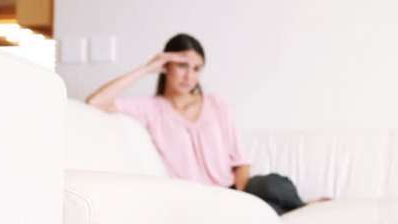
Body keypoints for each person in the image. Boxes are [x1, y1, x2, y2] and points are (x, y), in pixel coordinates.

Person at [86, 33, 305, 214]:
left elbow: (241, 162)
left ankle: (299, 206)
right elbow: (95, 102)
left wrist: (238, 200)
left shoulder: (216, 104)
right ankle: (278, 212)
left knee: (272, 185)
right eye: (182, 65)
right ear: (166, 66)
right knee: (265, 211)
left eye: (197, 68)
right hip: (197, 201)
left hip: (235, 191)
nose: (189, 76)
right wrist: (147, 68)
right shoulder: (151, 108)